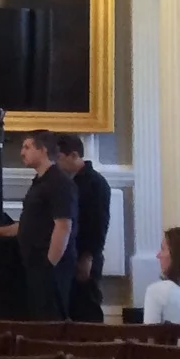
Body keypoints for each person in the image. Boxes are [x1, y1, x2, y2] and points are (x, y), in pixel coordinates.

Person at [0, 130, 73, 320]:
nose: (21, 152)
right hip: (35, 265)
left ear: (42, 150)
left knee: (51, 322)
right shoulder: (40, 182)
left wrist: (49, 265)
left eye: (27, 147)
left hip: (49, 268)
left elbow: (63, 226)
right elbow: (28, 224)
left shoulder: (59, 183)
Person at [54, 134, 111, 324]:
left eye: (59, 158)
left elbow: (98, 224)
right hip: (75, 253)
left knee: (87, 305)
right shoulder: (72, 182)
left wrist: (88, 256)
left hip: (86, 255)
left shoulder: (95, 183)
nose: (57, 164)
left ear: (74, 155)